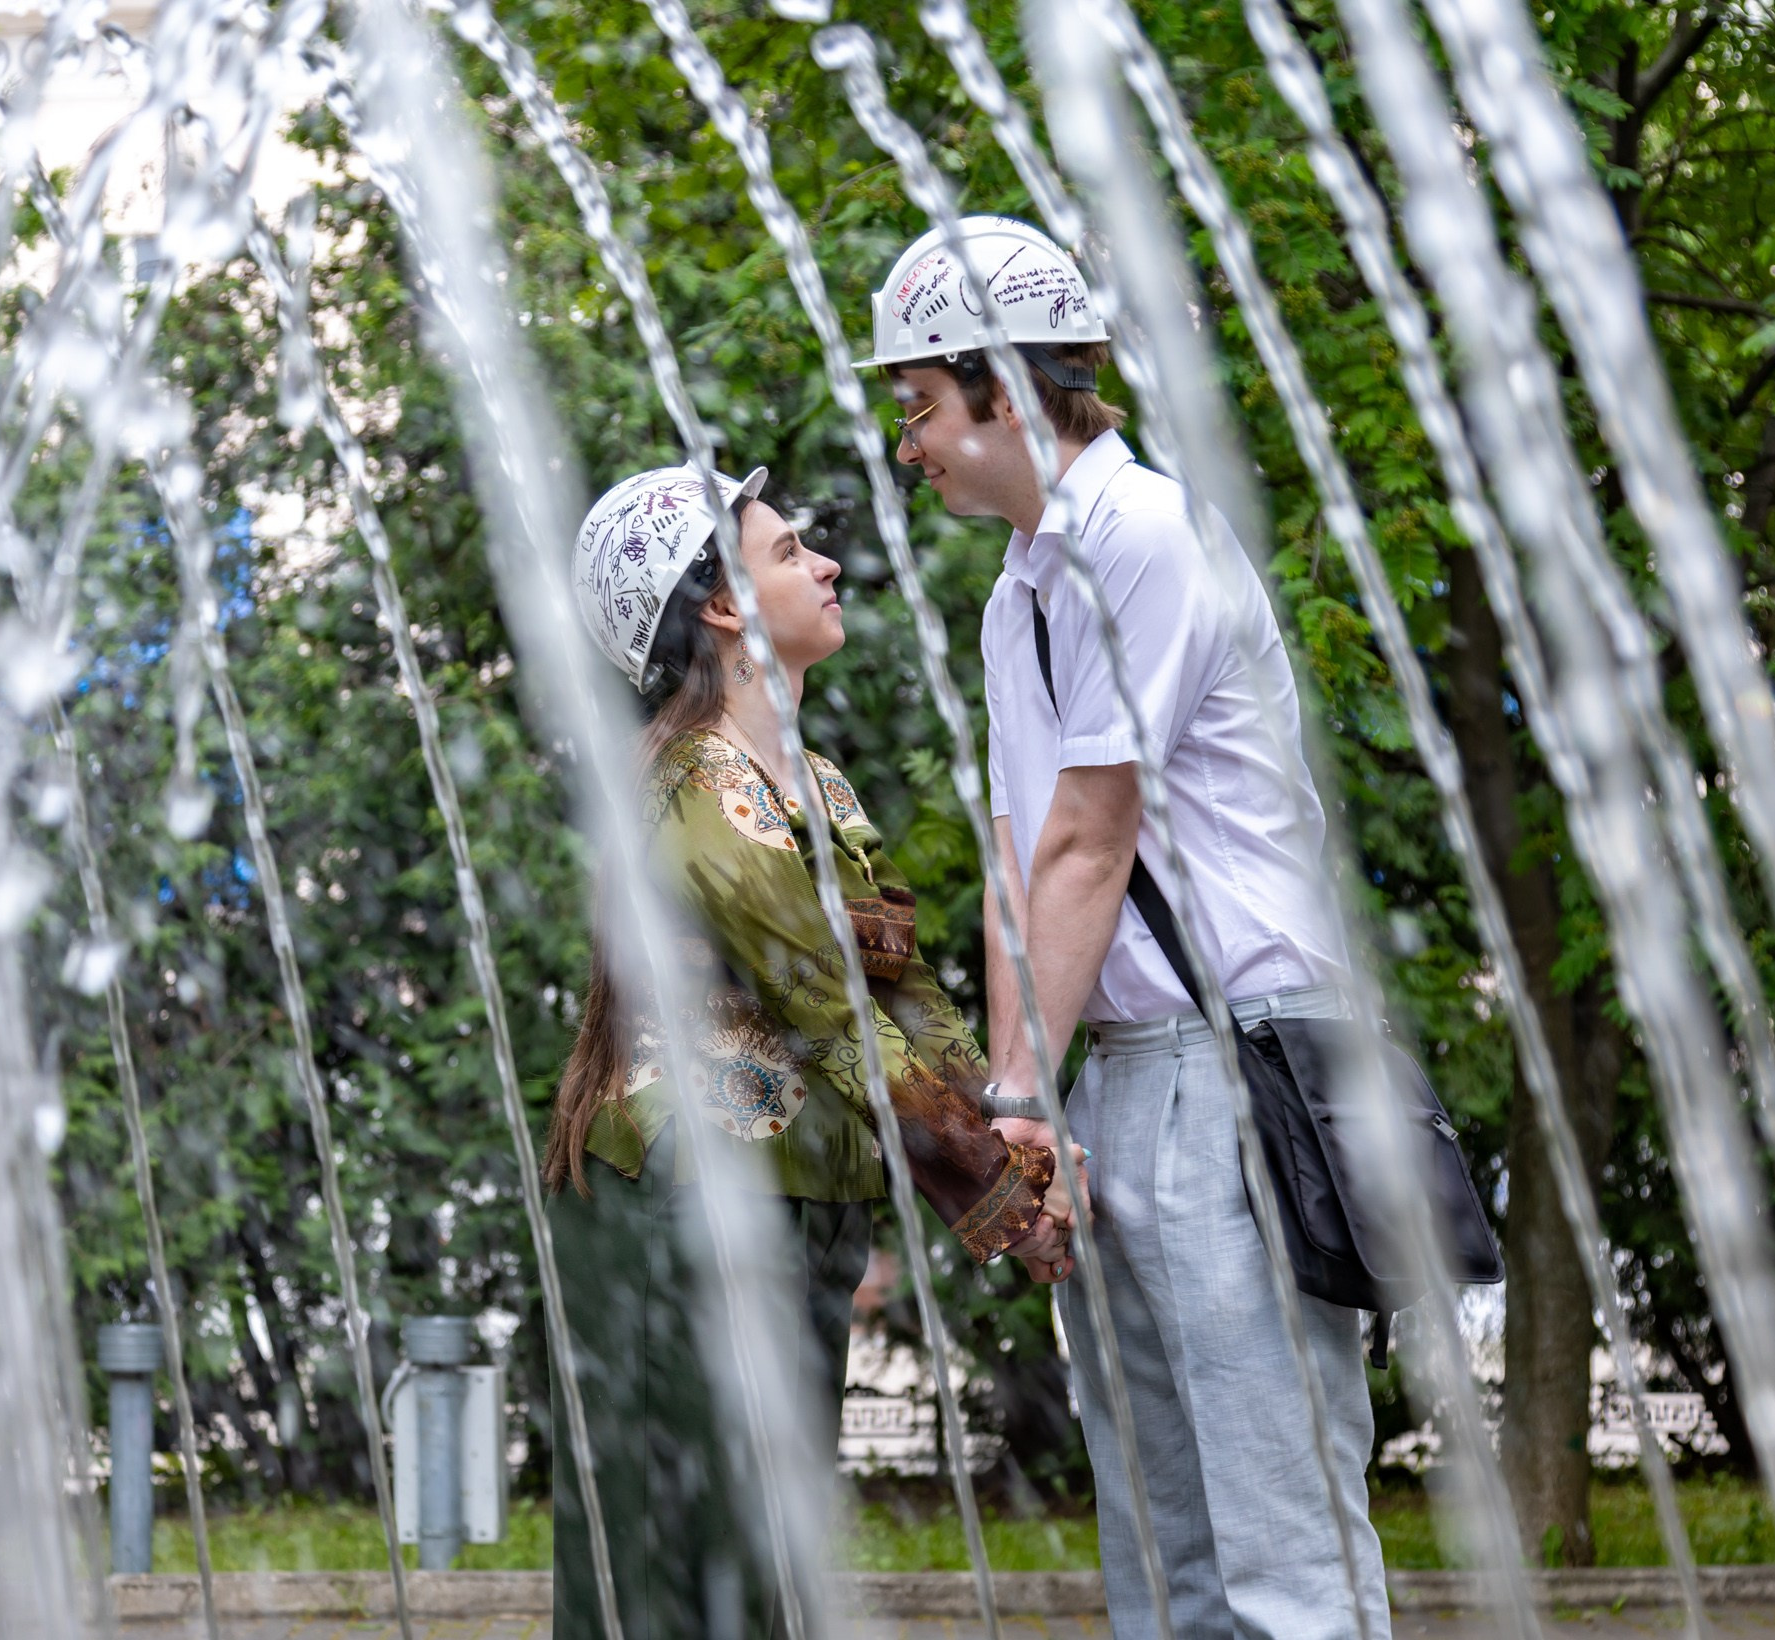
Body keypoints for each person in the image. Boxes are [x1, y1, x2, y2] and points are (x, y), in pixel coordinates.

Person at [862, 217, 1392, 1639]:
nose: (908, 446)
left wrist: (1022, 1099)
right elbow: (1018, 866)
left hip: (1236, 1070)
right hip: (1118, 1074)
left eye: (920, 406)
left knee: (1284, 1551)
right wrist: (1023, 1116)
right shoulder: (1019, 591)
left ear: (1005, 389)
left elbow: (1094, 841)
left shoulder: (1143, 536)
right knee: (1163, 1560)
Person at [545, 461, 1074, 1640]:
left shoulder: (815, 781)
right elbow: (835, 1012)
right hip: (687, 1215)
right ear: (721, 605)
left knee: (770, 1559)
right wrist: (1001, 1200)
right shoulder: (698, 786)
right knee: (692, 1571)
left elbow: (903, 992)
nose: (827, 562)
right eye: (788, 550)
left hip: (796, 1204)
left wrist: (1015, 1138)